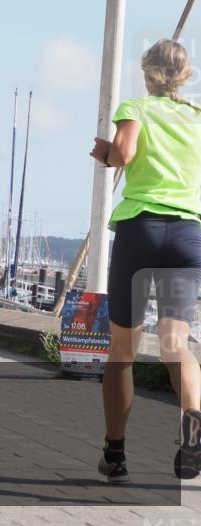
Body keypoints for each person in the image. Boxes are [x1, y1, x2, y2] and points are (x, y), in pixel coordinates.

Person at [89, 39, 201, 483]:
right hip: (188, 235)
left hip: (141, 228)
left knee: (122, 350)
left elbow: (124, 154)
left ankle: (115, 456)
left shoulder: (136, 107)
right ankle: (193, 421)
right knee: (176, 343)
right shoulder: (197, 118)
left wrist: (105, 152)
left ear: (147, 74)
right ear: (184, 75)